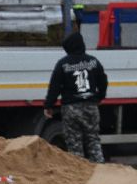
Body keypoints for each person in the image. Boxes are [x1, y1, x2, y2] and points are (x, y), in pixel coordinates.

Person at [43, 31, 108, 163]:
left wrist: (49, 105)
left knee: (74, 144)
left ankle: (79, 173)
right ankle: (100, 172)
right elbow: (103, 81)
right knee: (93, 140)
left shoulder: (63, 64)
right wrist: (99, 97)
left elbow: (54, 87)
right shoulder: (93, 61)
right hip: (91, 106)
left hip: (71, 108)